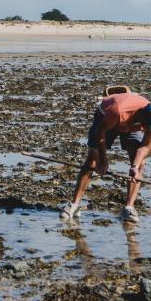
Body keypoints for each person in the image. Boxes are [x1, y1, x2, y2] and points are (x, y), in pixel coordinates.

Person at [60, 91, 151, 224]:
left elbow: (145, 147)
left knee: (140, 164)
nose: (146, 129)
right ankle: (74, 205)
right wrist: (102, 161)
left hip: (129, 124)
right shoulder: (118, 111)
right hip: (107, 118)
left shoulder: (148, 120)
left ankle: (128, 208)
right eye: (146, 127)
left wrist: (134, 166)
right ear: (141, 118)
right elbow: (100, 134)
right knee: (92, 159)